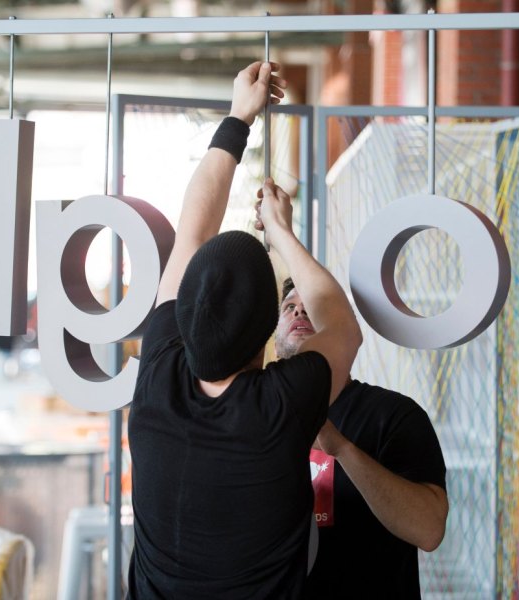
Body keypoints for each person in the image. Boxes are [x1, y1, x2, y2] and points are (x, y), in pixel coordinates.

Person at [126, 61, 362, 599]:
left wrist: (238, 119)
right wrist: (281, 232)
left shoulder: (157, 379)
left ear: (182, 316)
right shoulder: (276, 406)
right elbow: (343, 326)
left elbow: (191, 228)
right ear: (265, 332)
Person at [273, 277, 449, 600]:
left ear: (344, 331)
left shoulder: (394, 416)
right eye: (289, 308)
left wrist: (339, 447)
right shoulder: (255, 416)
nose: (299, 312)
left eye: (310, 307)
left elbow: (429, 530)